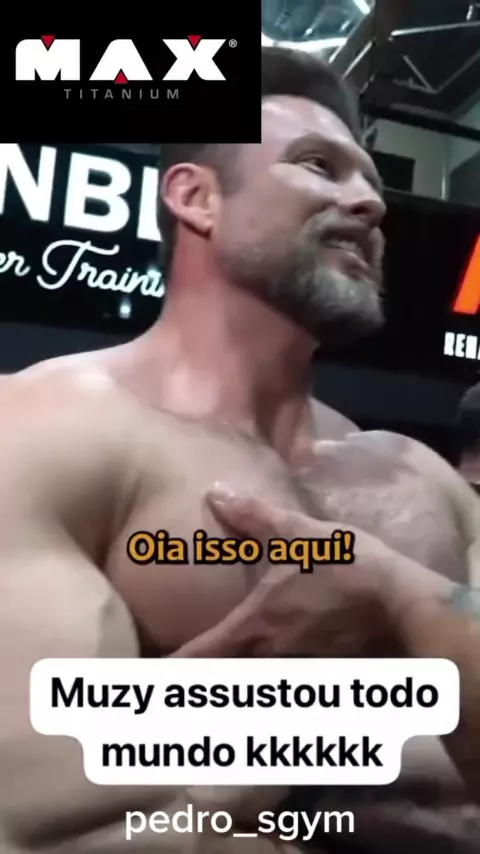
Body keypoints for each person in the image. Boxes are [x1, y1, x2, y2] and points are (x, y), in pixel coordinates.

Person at [0, 45, 479, 853]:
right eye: (318, 165)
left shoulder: (421, 477)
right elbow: (40, 825)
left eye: (372, 180)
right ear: (197, 198)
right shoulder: (46, 428)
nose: (370, 202)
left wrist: (391, 599)